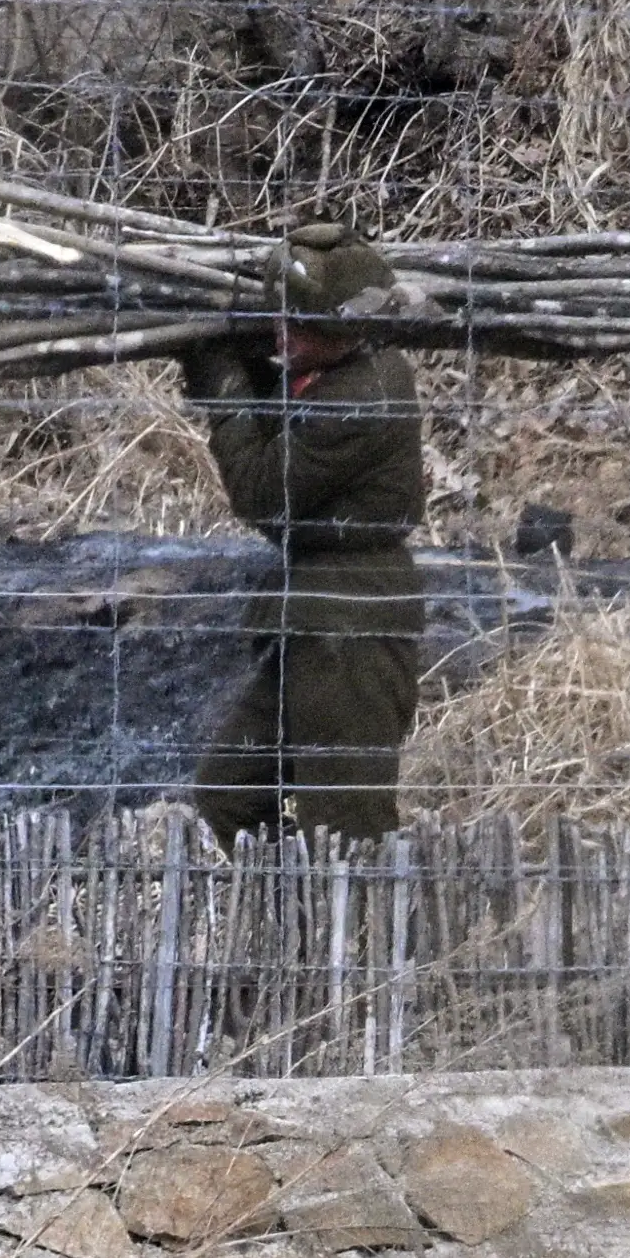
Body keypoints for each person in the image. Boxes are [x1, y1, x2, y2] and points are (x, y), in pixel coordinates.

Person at [184, 222, 428, 844]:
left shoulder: (365, 396)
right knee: (230, 799)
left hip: (353, 625)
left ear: (348, 331)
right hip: (312, 616)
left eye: (304, 328)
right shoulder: (333, 369)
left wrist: (224, 382)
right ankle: (284, 933)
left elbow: (265, 495)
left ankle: (353, 938)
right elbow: (287, 416)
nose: (285, 337)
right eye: (281, 320)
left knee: (347, 828)